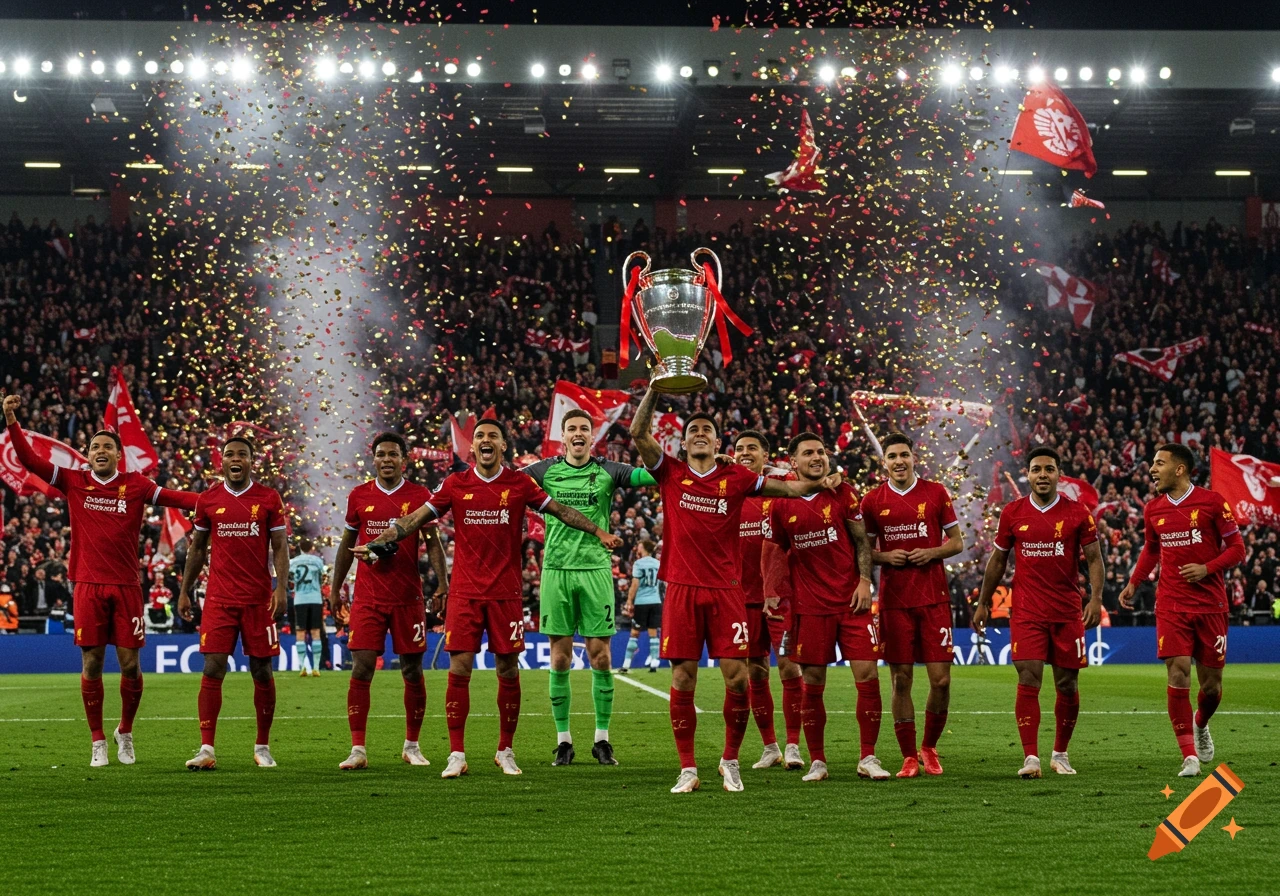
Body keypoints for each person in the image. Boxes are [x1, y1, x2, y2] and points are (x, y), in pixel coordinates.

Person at [358, 420, 621, 778]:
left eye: (492, 436)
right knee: (459, 669)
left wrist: (598, 530)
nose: (485, 440)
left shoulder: (519, 483)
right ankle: (457, 754)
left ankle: (505, 750)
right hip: (465, 594)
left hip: (506, 594)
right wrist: (379, 539)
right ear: (473, 448)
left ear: (503, 445)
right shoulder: (455, 484)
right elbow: (415, 519)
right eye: (480, 436)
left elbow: (560, 511)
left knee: (508, 670)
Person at [628, 386, 843, 794]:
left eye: (707, 429)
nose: (700, 434)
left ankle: (730, 760)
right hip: (682, 590)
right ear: (684, 440)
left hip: (727, 592)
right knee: (683, 677)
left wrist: (820, 477)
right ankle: (688, 768)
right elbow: (639, 432)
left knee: (738, 679)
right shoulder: (671, 471)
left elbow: (792, 490)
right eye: (694, 430)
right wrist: (655, 389)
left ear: (717, 440)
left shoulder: (737, 477)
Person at [3, 393, 199, 767]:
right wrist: (11, 420)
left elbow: (177, 498)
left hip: (126, 585)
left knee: (130, 666)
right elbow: (29, 460)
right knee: (91, 663)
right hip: (88, 585)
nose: (101, 451)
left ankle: (124, 731)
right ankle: (97, 741)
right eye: (96, 447)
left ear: (118, 455)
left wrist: (217, 502)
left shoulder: (136, 484)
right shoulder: (74, 481)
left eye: (108, 446)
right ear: (88, 454)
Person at [523, 408, 657, 767]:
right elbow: (504, 484)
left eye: (585, 429)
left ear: (592, 436)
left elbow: (655, 474)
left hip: (596, 570)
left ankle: (602, 739)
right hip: (556, 570)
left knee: (601, 657)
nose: (579, 433)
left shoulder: (608, 471)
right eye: (572, 429)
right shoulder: (543, 471)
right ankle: (563, 741)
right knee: (560, 658)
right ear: (563, 437)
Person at [973, 447, 1105, 778]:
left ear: (1059, 474)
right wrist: (983, 602)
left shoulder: (1078, 513)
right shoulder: (1013, 512)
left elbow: (1093, 558)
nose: (1042, 474)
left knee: (1067, 684)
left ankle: (1060, 754)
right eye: (1036, 469)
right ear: (1028, 475)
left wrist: (1096, 599)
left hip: (1066, 610)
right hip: (1028, 610)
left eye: (1049, 469)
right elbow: (998, 561)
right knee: (1028, 676)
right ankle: (1030, 757)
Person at [763, 433, 887, 782]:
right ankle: (818, 760)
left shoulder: (843, 492)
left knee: (868, 676)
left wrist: (865, 580)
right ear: (793, 461)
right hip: (809, 607)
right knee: (813, 681)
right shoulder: (781, 502)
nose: (817, 457)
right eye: (808, 453)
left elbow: (861, 539)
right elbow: (774, 548)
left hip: (852, 601)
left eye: (821, 451)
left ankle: (868, 757)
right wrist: (772, 590)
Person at [1118, 443, 1245, 777]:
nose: (1152, 469)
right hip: (1171, 603)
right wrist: (1135, 581)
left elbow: (1237, 549)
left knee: (1212, 686)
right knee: (1177, 671)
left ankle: (1200, 723)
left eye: (1159, 463)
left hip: (1210, 604)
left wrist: (1206, 568)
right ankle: (1188, 755)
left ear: (1180, 468)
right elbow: (1151, 548)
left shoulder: (1212, 502)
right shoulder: (1153, 509)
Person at [330, 432, 447, 770]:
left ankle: (412, 745)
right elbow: (346, 545)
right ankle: (357, 749)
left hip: (407, 596)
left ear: (404, 460)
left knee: (412, 670)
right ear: (374, 459)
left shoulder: (419, 496)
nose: (386, 459)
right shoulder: (359, 496)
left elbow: (433, 544)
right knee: (362, 666)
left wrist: (443, 584)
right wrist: (338, 587)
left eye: (393, 454)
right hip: (367, 596)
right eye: (381, 454)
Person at [178, 436, 289, 770]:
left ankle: (262, 746)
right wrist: (185, 590)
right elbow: (197, 549)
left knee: (261, 669)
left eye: (242, 454)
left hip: (258, 599)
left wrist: (280, 587)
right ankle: (207, 749)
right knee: (212, 668)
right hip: (219, 599)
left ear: (252, 461)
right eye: (230, 454)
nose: (235, 458)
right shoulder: (208, 500)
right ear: (221, 461)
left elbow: (280, 545)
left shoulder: (268, 498)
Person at [861, 433, 965, 778]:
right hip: (894, 601)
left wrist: (932, 552)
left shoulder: (935, 492)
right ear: (885, 462)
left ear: (913, 458)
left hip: (934, 599)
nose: (899, 461)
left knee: (941, 680)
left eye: (904, 454)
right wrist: (883, 556)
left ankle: (929, 747)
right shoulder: (872, 501)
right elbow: (863, 551)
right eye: (893, 456)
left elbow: (957, 542)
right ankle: (908, 756)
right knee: (900, 680)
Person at [731, 429, 805, 771]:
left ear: (766, 455)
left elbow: (805, 477)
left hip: (781, 597)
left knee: (790, 666)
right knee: (755, 673)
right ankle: (770, 746)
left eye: (752, 449)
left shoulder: (780, 489)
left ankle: (793, 745)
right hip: (742, 597)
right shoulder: (729, 492)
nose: (745, 453)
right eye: (739, 449)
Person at [621, 539, 661, 673]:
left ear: (643, 548)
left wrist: (629, 601)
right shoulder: (658, 563)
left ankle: (626, 665)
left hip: (642, 602)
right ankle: (654, 663)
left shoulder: (638, 563)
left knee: (634, 633)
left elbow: (635, 584)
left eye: (639, 546)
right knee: (653, 632)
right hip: (656, 601)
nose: (637, 547)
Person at [289, 537, 327, 677]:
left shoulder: (293, 562)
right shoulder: (317, 561)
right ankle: (316, 667)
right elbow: (324, 577)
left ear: (300, 547)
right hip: (315, 599)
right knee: (315, 632)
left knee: (300, 632)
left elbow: (290, 579)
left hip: (300, 600)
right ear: (312, 548)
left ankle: (303, 666)